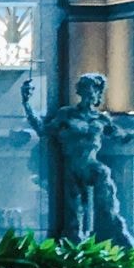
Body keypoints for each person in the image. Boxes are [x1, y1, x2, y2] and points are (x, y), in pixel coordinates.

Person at [22, 73, 134, 246]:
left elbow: (121, 137)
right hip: (72, 167)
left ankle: (119, 235)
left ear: (98, 93)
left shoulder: (101, 119)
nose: (90, 94)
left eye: (94, 90)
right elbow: (43, 130)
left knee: (107, 200)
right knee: (74, 216)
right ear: (81, 91)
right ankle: (75, 250)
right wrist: (27, 104)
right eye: (87, 89)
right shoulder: (67, 115)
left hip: (91, 166)